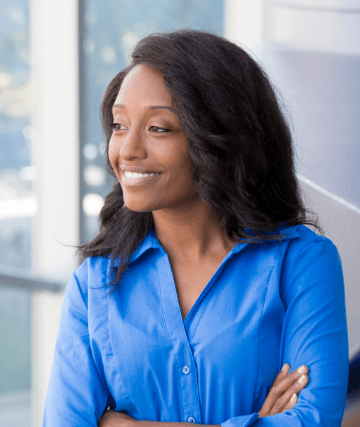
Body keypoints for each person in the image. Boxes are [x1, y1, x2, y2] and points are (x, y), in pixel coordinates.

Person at [43, 30, 349, 426]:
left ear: (220, 139)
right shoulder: (94, 286)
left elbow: (314, 420)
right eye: (119, 126)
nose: (128, 150)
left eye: (159, 128)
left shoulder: (302, 262)